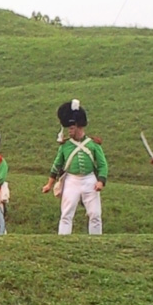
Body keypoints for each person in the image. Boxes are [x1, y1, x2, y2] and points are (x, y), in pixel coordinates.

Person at [42, 99, 108, 235]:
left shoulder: (93, 145)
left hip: (89, 179)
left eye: (71, 128)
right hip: (72, 180)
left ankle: (96, 240)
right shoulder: (65, 146)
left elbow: (102, 165)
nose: (69, 131)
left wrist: (100, 181)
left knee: (95, 214)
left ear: (79, 126)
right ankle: (63, 239)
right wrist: (49, 184)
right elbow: (56, 165)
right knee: (66, 214)